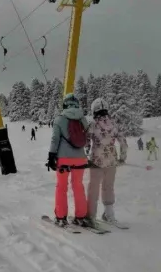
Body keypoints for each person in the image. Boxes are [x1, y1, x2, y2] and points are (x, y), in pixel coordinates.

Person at [47, 93, 91, 228]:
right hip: (80, 159)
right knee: (78, 186)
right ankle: (81, 216)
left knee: (61, 187)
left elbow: (55, 139)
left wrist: (51, 156)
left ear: (64, 104)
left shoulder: (59, 119)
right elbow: (87, 138)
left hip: (63, 159)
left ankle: (61, 217)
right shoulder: (83, 119)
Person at [85, 98, 128, 228]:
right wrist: (122, 158)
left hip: (96, 162)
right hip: (111, 161)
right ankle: (109, 214)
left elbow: (86, 141)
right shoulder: (113, 123)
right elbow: (123, 142)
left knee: (93, 189)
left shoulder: (92, 124)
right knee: (108, 187)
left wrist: (86, 152)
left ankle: (91, 216)